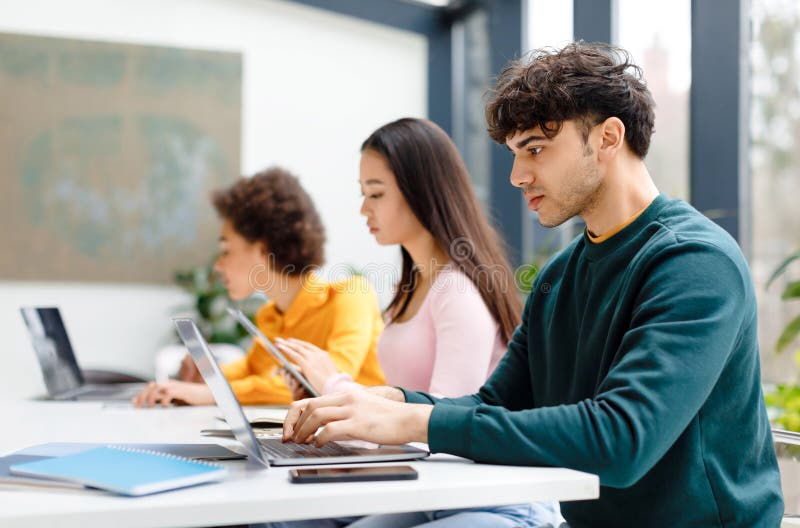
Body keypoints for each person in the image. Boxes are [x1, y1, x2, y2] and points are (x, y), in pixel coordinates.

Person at [278, 42, 784, 527]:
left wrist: (418, 425)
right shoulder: (561, 275)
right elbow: (494, 405)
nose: (518, 176)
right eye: (516, 153)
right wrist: (390, 402)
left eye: (536, 149)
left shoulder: (694, 262)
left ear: (609, 138)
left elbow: (622, 440)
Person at [269, 118, 559, 527]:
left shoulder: (457, 293)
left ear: (421, 192)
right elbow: (409, 410)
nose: (363, 209)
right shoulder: (412, 287)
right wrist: (326, 402)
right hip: (431, 488)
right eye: (363, 193)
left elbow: (441, 427)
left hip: (489, 498)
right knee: (286, 520)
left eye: (376, 193)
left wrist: (336, 387)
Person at [132, 167, 385, 407]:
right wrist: (207, 374)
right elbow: (251, 370)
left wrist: (213, 392)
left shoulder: (351, 297)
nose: (218, 265)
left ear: (263, 249)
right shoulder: (270, 317)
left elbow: (325, 383)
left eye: (226, 251)